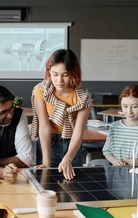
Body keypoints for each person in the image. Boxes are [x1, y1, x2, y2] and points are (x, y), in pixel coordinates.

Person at [30, 49, 92, 180]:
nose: (59, 80)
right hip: (49, 141)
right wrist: (46, 162)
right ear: (49, 72)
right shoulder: (40, 91)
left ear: (73, 74)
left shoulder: (83, 97)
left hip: (72, 142)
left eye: (65, 75)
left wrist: (69, 157)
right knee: (47, 181)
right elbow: (44, 127)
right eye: (55, 74)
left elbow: (78, 132)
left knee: (73, 183)